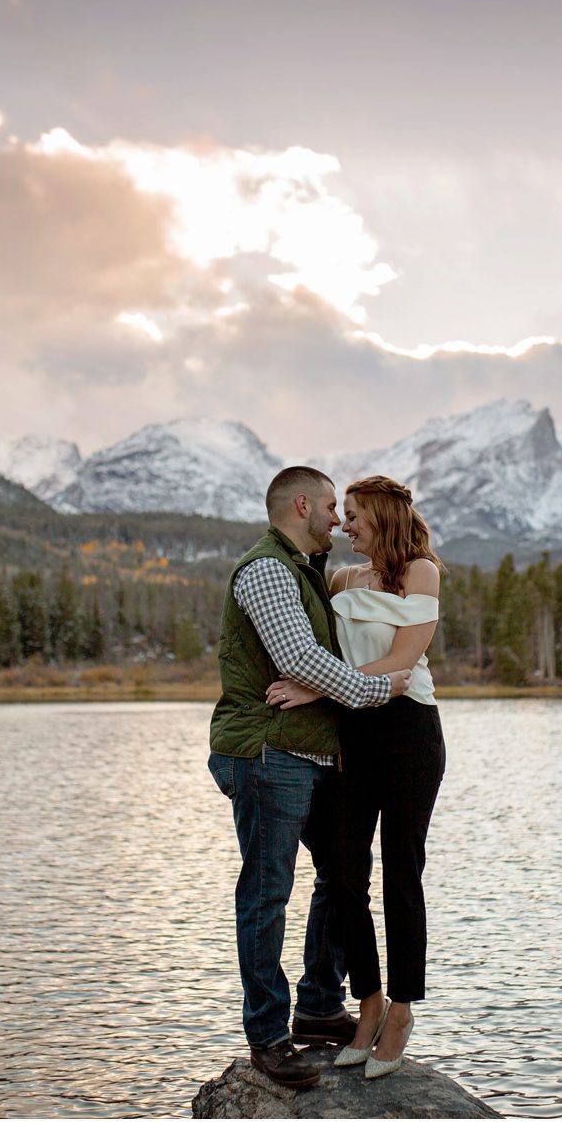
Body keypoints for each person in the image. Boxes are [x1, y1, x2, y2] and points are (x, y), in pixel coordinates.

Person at [207, 466, 415, 1090]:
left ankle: (321, 1003)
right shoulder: (268, 569)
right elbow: (297, 657)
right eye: (330, 506)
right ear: (301, 504)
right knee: (268, 892)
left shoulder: (308, 571)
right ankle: (269, 1036)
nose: (337, 519)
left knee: (344, 873)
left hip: (309, 753)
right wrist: (381, 689)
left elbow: (316, 661)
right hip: (267, 752)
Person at [264, 475, 445, 1081]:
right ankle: (364, 1003)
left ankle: (400, 1011)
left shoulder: (422, 573)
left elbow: (401, 661)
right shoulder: (340, 579)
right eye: (341, 515)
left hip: (411, 734)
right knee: (343, 873)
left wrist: (315, 687)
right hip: (354, 736)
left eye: (355, 515)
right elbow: (322, 651)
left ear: (384, 518)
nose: (344, 525)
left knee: (402, 873)